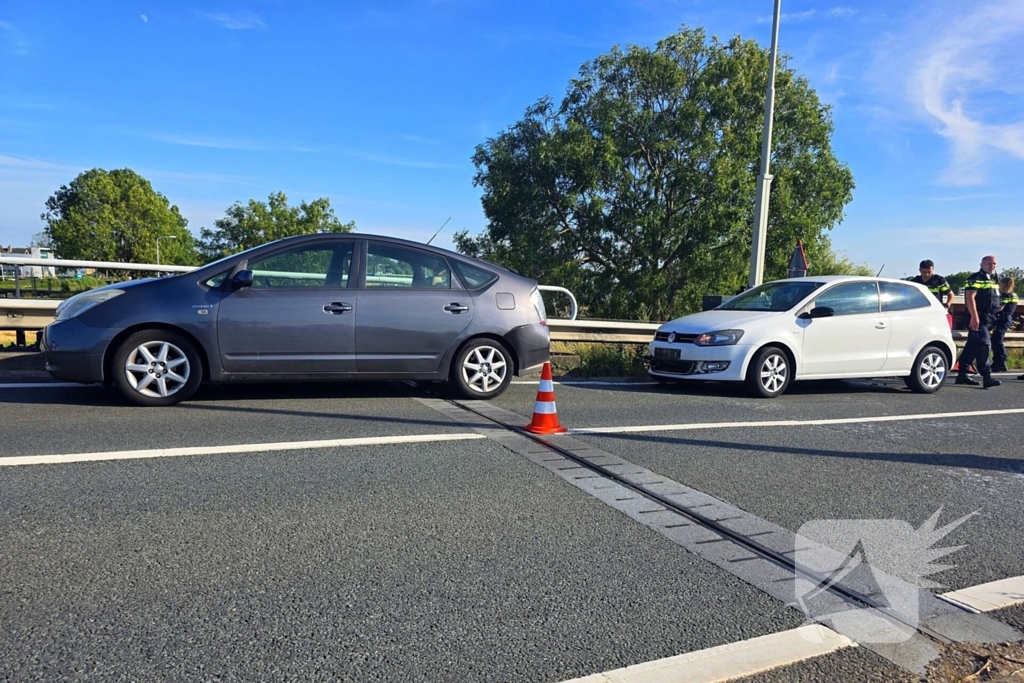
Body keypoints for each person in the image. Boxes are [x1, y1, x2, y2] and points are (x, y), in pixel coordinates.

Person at [955, 255, 1001, 388]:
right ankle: (987, 376)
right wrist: (975, 316)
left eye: (994, 263)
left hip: (988, 319)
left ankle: (962, 374)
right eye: (989, 264)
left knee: (972, 346)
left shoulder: (994, 278)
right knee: (984, 345)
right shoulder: (975, 278)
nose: (992, 266)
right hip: (977, 318)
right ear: (981, 265)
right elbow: (970, 298)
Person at [991, 276, 1017, 373]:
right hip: (1005, 319)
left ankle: (1001, 361)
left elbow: (999, 308)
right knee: (995, 339)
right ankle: (997, 361)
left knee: (997, 340)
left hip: (1003, 319)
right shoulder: (1012, 294)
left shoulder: (1007, 295)